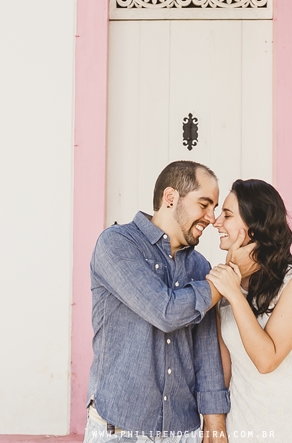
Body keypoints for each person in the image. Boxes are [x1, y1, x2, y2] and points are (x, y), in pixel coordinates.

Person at [87, 160, 230, 442]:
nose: (212, 218)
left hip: (183, 432)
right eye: (204, 205)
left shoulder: (200, 267)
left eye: (214, 208)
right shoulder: (116, 244)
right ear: (170, 197)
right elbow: (164, 311)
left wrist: (215, 422)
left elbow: (206, 352)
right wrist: (224, 282)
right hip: (120, 430)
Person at [207, 179, 292, 443]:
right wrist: (215, 423)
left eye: (227, 215)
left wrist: (234, 293)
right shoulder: (226, 286)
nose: (216, 222)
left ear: (254, 227)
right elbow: (224, 370)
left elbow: (266, 360)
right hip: (244, 426)